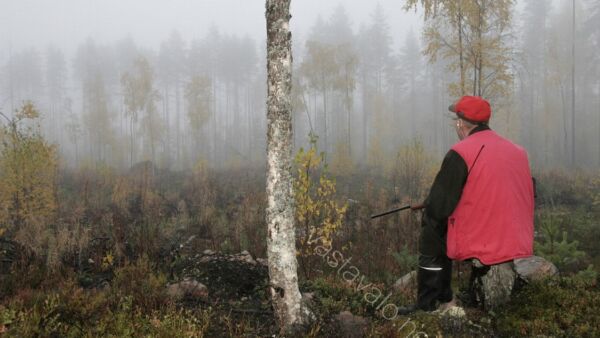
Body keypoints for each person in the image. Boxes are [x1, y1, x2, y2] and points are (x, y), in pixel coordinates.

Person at [399, 96, 535, 315]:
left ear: (461, 123)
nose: (455, 123)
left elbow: (438, 207)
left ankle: (432, 303)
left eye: (456, 119)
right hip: (516, 233)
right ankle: (468, 295)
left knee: (432, 230)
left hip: (482, 235)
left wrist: (429, 209)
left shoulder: (461, 152)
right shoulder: (517, 151)